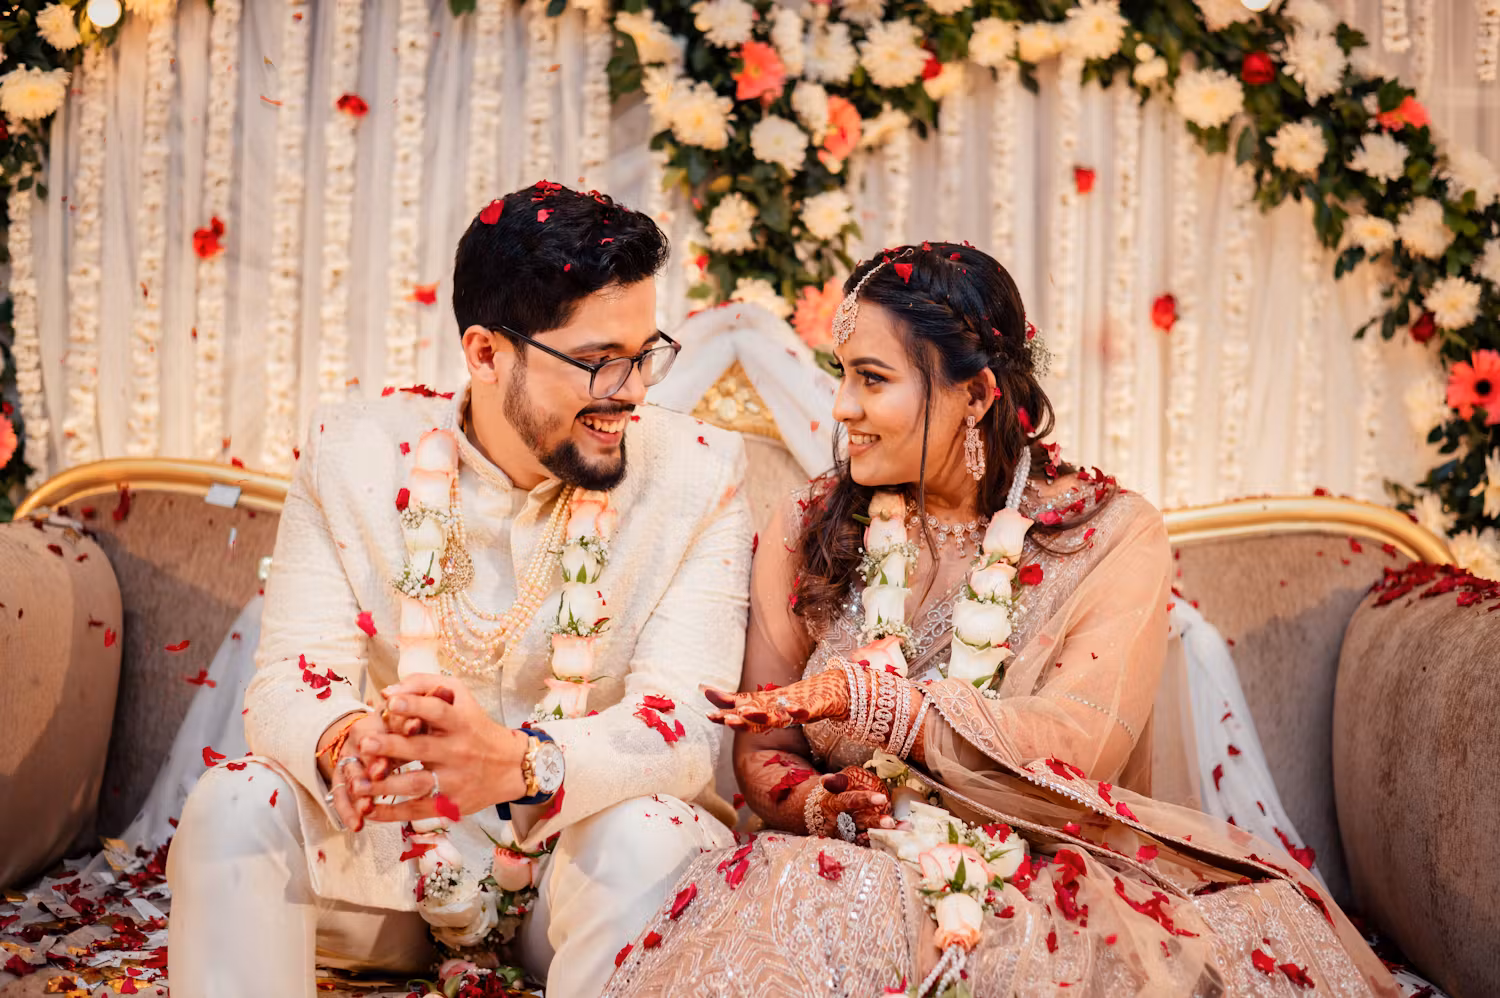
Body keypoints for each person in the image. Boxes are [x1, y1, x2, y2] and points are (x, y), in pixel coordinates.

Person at [604, 244, 1400, 997]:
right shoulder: (809, 522)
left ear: (977, 395)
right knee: (803, 889)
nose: (841, 407)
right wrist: (822, 805)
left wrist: (885, 707)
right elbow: (766, 743)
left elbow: (1082, 744)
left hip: (1040, 870)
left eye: (872, 379)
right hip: (842, 867)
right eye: (839, 375)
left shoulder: (1110, 534)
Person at [166, 183, 751, 998]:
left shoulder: (698, 475)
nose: (632, 391)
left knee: (651, 834)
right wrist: (345, 743)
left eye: (643, 352)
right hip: (386, 870)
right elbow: (289, 677)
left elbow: (689, 729)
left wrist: (524, 765)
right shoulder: (354, 455)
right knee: (233, 804)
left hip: (572, 885)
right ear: (484, 353)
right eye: (595, 362)